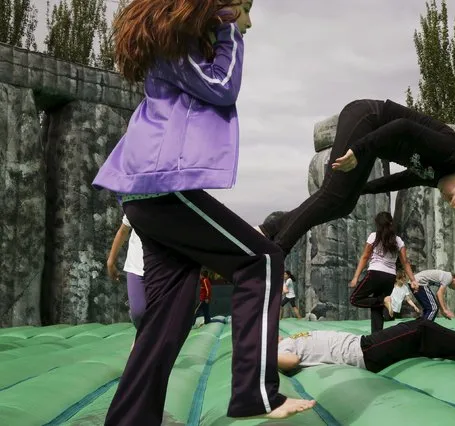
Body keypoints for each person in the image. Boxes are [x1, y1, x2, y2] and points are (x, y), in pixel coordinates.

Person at [91, 1, 314, 423]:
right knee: (263, 260)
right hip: (160, 189)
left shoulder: (178, 47)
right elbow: (223, 85)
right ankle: (255, 394)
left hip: (148, 192)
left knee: (169, 315)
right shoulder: (174, 49)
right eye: (243, 9)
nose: (248, 22)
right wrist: (228, 29)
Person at [257, 100, 455, 255]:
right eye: (450, 199)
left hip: (370, 136)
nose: (444, 197)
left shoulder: (440, 174)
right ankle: (275, 253)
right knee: (334, 197)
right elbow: (402, 127)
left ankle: (269, 228)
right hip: (368, 118)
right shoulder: (449, 151)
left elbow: (403, 180)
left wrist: (364, 188)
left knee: (342, 203)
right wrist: (358, 150)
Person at [277, 318, 455, 374]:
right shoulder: (276, 352)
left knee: (424, 341)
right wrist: (262, 354)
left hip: (363, 347)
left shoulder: (283, 340)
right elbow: (292, 362)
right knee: (420, 328)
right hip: (363, 353)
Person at [349, 212, 418, 332]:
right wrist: (413, 280)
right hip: (390, 277)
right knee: (377, 308)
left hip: (375, 273)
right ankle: (377, 337)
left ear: (377, 224)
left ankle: (383, 300)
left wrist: (356, 277)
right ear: (391, 223)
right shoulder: (398, 241)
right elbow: (405, 262)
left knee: (354, 299)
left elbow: (365, 257)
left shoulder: (373, 236)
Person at [107, 214, 146, 329]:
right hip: (136, 265)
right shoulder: (136, 202)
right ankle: (142, 335)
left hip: (164, 268)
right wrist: (111, 261)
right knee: (138, 312)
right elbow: (123, 231)